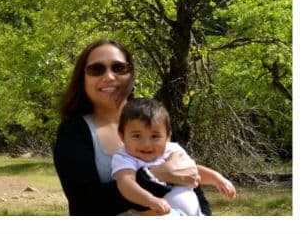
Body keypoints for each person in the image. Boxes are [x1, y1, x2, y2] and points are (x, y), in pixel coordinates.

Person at [53, 38, 210, 215]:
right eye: (96, 69)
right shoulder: (73, 132)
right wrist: (157, 175)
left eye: (119, 68)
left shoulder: (154, 118)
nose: (109, 76)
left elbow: (194, 187)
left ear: (131, 74)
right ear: (82, 78)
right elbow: (85, 204)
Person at [112, 97, 236, 215]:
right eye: (137, 136)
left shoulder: (171, 149)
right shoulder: (125, 157)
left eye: (155, 136)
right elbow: (126, 184)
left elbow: (192, 170)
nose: (146, 144)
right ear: (122, 136)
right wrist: (150, 200)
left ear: (168, 137)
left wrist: (216, 178)